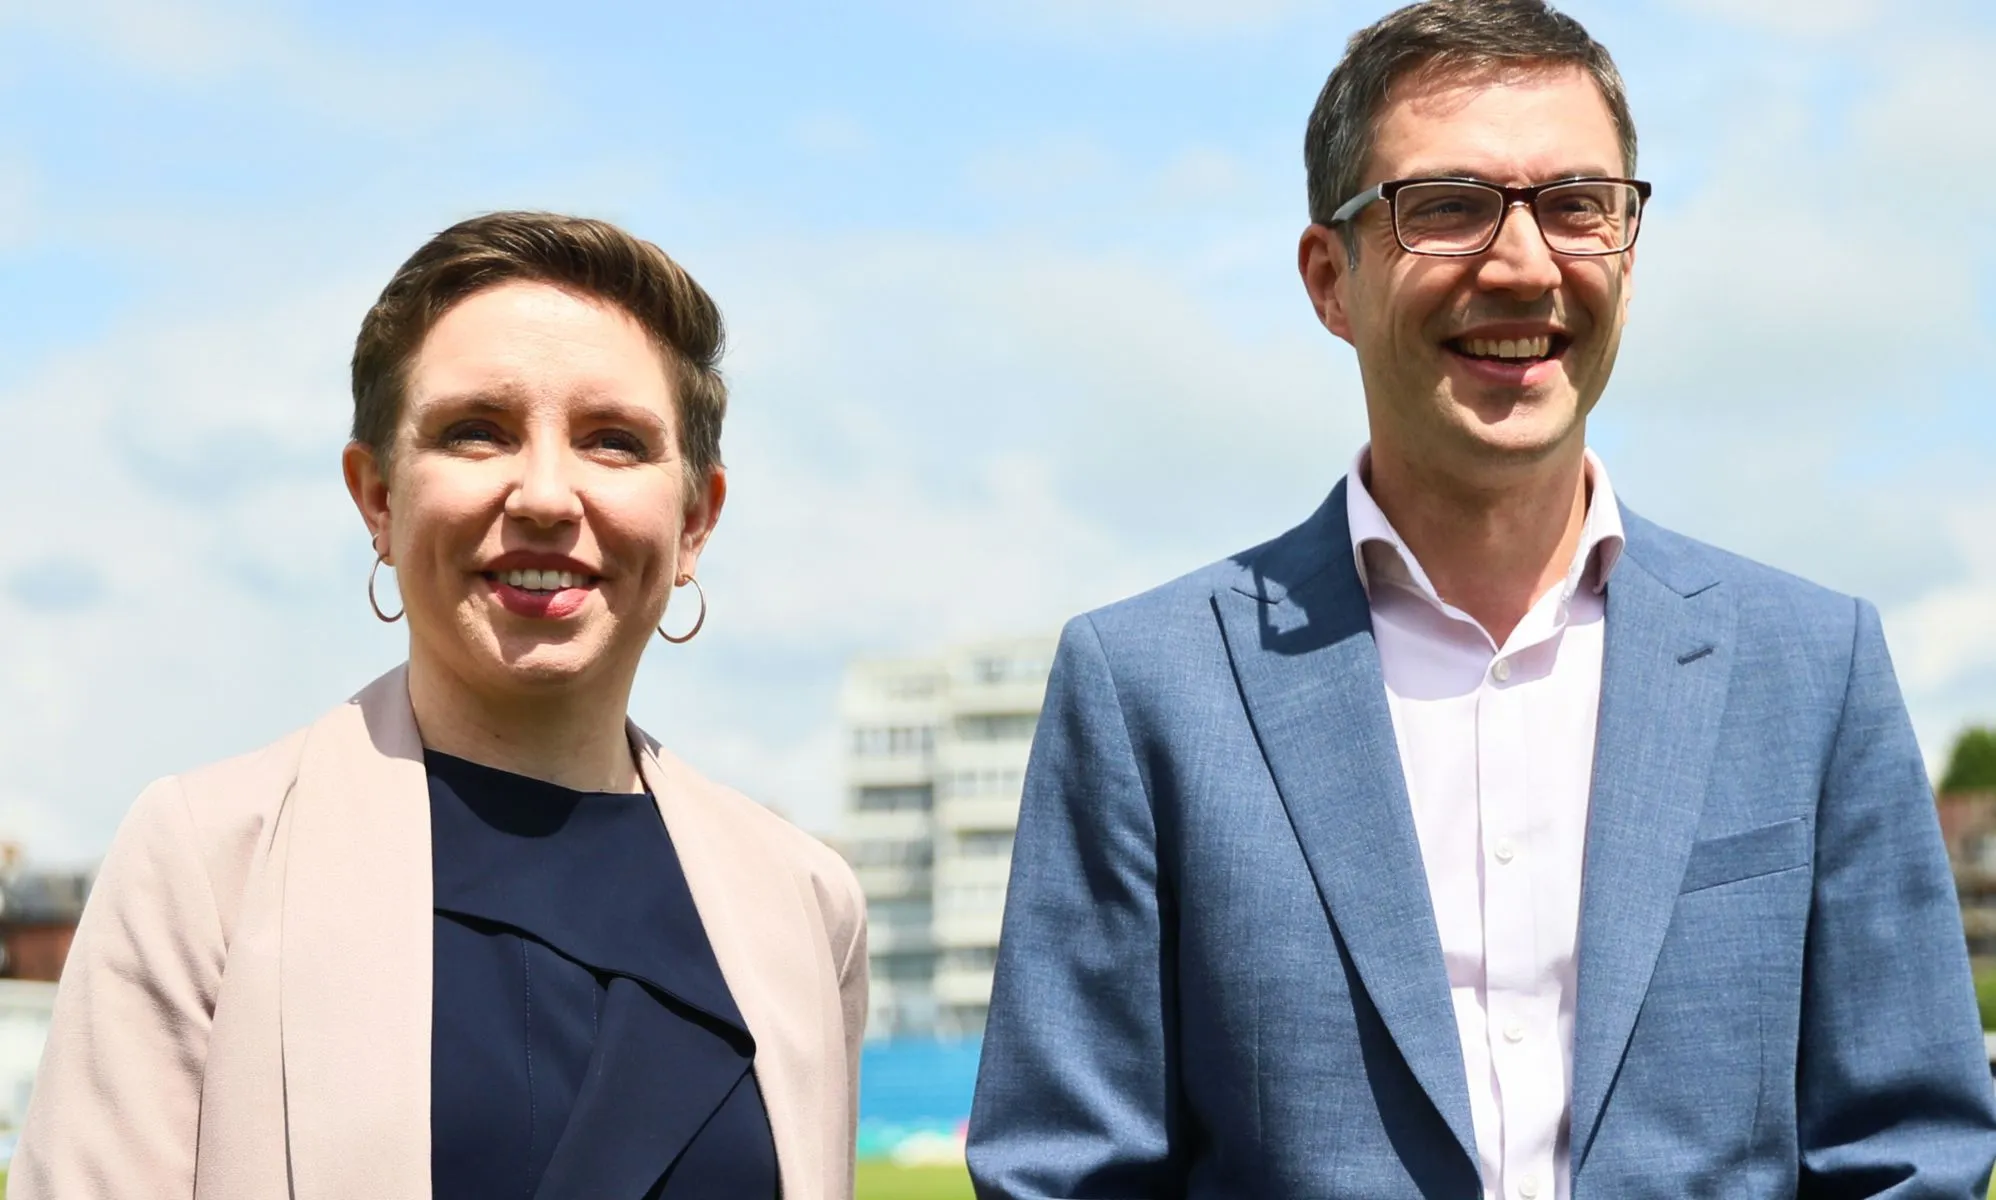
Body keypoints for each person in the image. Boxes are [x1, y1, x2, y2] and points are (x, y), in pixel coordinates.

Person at [967, 1, 1996, 1197]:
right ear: (1327, 278)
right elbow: (1068, 1173)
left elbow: (1907, 1152)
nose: (1521, 264)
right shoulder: (1145, 688)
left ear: (1625, 246)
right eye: (1446, 208)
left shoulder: (1811, 668)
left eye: (1575, 206)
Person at [12, 212, 867, 1200]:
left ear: (695, 520)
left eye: (613, 441)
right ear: (375, 496)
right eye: (477, 432)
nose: (545, 493)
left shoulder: (804, 904)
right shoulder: (209, 864)